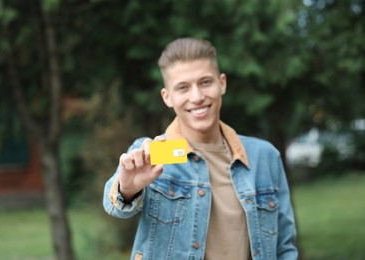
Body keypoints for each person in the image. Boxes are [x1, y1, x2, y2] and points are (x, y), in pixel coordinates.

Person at [103, 37, 298, 260]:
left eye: (205, 82)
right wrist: (127, 189)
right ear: (167, 97)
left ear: (222, 83)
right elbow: (114, 205)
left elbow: (284, 248)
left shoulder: (265, 157)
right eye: (183, 87)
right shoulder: (152, 153)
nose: (196, 97)